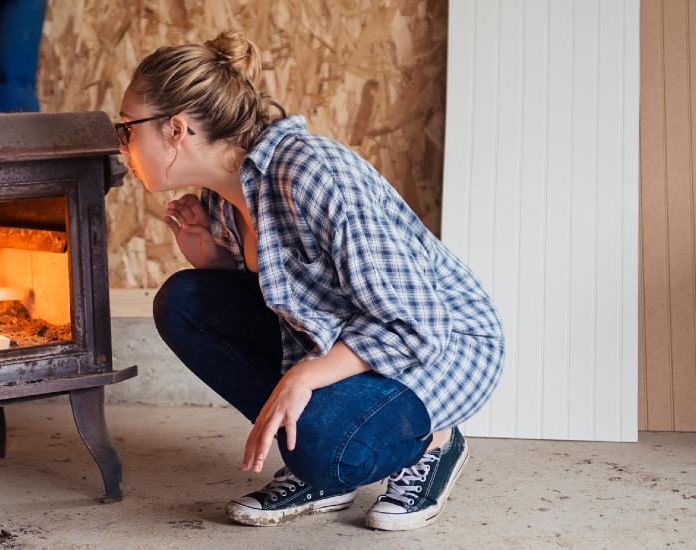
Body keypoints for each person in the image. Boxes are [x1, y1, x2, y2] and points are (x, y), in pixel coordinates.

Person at [116, 30, 504, 531]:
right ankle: (315, 459)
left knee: (328, 449)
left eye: (129, 127)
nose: (123, 143)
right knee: (185, 300)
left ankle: (433, 443)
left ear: (176, 130)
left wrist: (304, 376)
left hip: (441, 346)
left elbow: (414, 322)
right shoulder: (223, 194)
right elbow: (290, 297)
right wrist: (209, 258)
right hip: (345, 341)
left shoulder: (311, 172)